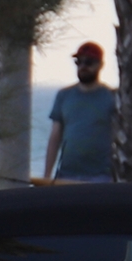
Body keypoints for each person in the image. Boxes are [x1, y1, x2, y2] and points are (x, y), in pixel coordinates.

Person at [44, 41, 116, 183]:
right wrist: (46, 176)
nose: (83, 66)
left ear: (100, 65)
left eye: (88, 62)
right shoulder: (64, 96)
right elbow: (55, 136)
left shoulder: (111, 97)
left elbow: (118, 136)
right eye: (79, 62)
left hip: (101, 176)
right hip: (66, 174)